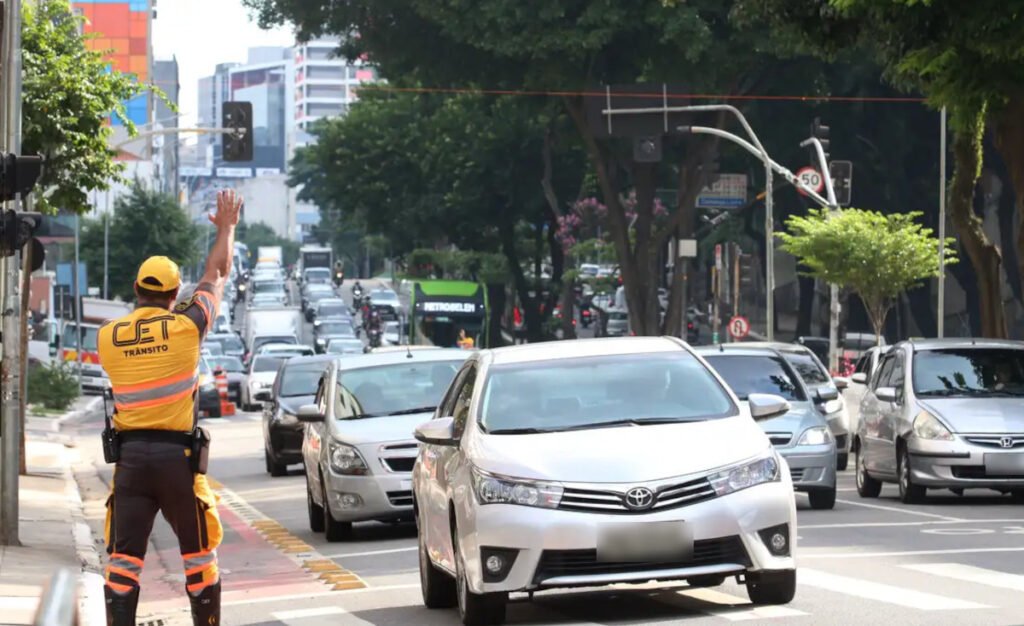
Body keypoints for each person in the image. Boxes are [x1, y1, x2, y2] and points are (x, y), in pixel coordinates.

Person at [96, 189, 242, 626]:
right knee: (200, 557)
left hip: (132, 464)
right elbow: (217, 272)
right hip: (178, 462)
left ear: (136, 289)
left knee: (123, 561)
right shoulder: (187, 327)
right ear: (176, 291)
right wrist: (226, 227)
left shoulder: (107, 337)